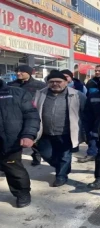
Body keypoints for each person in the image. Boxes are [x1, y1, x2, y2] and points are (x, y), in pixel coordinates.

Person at [34, 70, 86, 187]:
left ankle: (61, 176)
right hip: (45, 132)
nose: (55, 84)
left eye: (59, 81)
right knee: (46, 154)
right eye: (51, 81)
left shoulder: (77, 95)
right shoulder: (40, 94)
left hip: (67, 133)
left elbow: (86, 113)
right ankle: (62, 167)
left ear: (66, 82)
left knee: (65, 155)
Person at [0, 78, 40, 208]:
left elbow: (31, 115)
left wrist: (28, 135)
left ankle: (22, 193)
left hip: (9, 141)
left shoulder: (17, 93)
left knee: (13, 169)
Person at [8, 65, 46, 167]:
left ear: (28, 73)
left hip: (32, 114)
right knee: (14, 139)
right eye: (17, 71)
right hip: (15, 115)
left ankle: (36, 156)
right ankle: (14, 161)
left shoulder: (40, 85)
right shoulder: (11, 85)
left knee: (33, 136)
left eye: (21, 72)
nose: (18, 73)